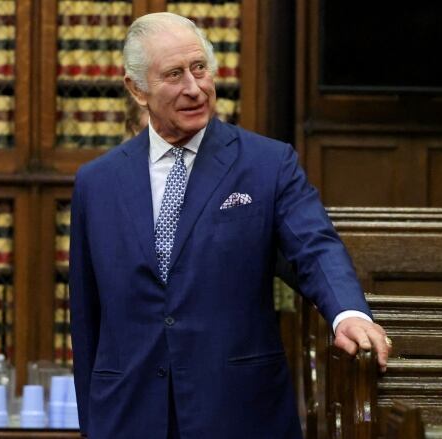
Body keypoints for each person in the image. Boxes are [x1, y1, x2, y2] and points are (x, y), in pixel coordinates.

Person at [69, 12, 390, 438]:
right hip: (127, 414)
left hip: (238, 410)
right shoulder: (97, 183)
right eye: (174, 74)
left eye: (200, 68)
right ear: (137, 89)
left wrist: (346, 313)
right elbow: (87, 317)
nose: (194, 87)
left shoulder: (267, 164)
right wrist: (92, 425)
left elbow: (315, 246)